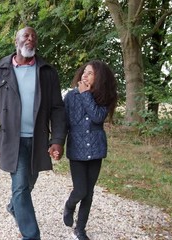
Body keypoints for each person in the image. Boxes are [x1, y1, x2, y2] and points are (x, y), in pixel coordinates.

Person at [0, 26, 67, 240]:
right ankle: (31, 235)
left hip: (38, 138)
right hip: (13, 140)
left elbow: (57, 107)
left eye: (33, 36)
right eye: (25, 35)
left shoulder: (47, 71)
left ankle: (14, 207)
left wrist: (57, 139)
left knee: (28, 184)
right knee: (20, 186)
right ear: (16, 41)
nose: (30, 39)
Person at [62, 60, 117, 240]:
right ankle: (69, 205)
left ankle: (80, 229)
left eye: (90, 73)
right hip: (76, 149)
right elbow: (64, 123)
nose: (84, 75)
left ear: (99, 78)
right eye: (84, 72)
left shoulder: (104, 97)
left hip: (96, 149)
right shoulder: (71, 96)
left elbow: (97, 117)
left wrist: (86, 94)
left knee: (89, 192)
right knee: (80, 190)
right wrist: (56, 143)